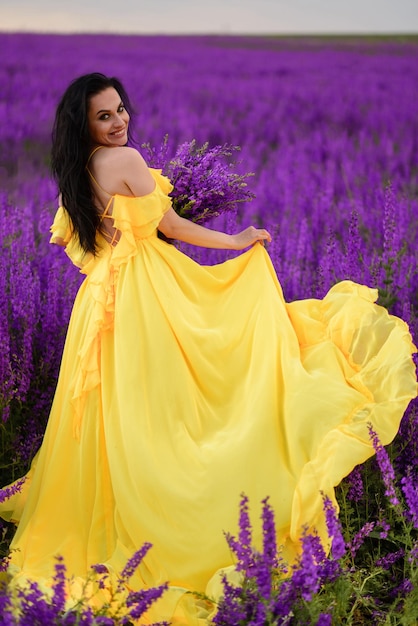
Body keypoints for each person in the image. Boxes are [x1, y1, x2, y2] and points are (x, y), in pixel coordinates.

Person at [0, 73, 416, 625]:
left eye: (121, 109)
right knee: (191, 404)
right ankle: (179, 518)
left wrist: (133, 244)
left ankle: (120, 511)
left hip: (98, 305)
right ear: (86, 125)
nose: (120, 120)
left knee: (120, 419)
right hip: (147, 297)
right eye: (105, 116)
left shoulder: (75, 176)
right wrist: (235, 240)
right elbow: (170, 224)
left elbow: (86, 250)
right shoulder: (125, 162)